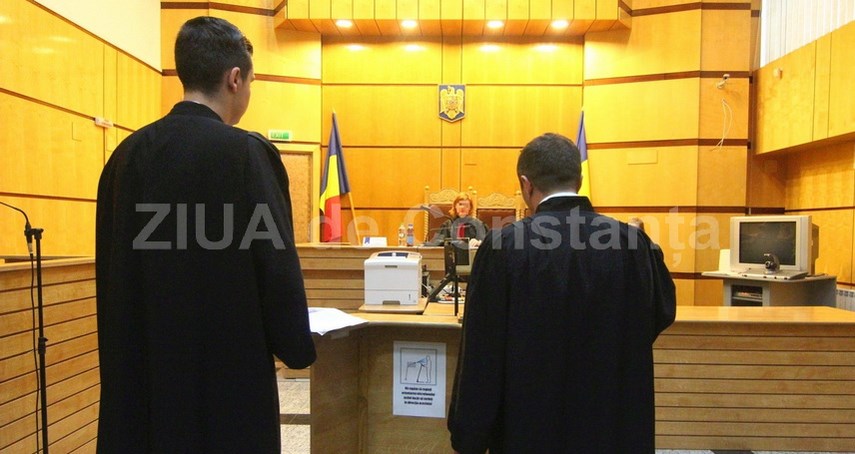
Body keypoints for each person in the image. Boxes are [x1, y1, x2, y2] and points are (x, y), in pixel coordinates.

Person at [95, 16, 316, 453]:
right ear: (235, 79)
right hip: (226, 385)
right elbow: (275, 264)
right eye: (251, 81)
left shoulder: (125, 157)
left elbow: (110, 272)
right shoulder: (246, 154)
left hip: (145, 382)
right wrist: (295, 345)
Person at [447, 132, 676, 453]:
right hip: (610, 420)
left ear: (526, 184)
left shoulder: (503, 246)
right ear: (578, 180)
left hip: (529, 424)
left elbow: (483, 349)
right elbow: (661, 311)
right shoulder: (632, 243)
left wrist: (469, 435)